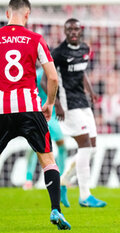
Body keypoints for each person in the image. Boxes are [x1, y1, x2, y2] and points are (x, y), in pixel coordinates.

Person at [0, 0, 70, 230]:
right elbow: (52, 77)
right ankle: (55, 210)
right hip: (30, 108)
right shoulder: (35, 39)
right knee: (47, 159)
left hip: (2, 108)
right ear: (27, 15)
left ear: (8, 13)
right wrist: (49, 103)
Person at [51, 18, 106, 208]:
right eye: (70, 29)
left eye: (76, 29)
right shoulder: (58, 53)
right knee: (84, 146)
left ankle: (64, 180)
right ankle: (85, 196)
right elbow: (46, 80)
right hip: (67, 105)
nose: (73, 32)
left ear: (80, 31)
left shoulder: (85, 49)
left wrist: (90, 91)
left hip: (83, 102)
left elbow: (81, 73)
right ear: (65, 32)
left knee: (93, 148)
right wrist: (55, 102)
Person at [23, 67, 68, 190]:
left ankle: (62, 177)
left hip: (52, 116)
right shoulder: (38, 74)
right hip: (40, 113)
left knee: (62, 145)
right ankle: (28, 179)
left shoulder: (56, 72)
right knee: (34, 148)